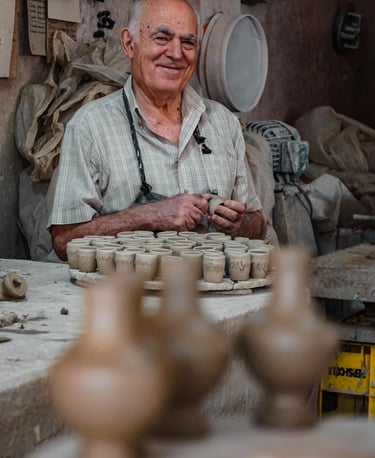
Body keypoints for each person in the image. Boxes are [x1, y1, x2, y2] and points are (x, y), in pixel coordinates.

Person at [49, 0, 266, 261]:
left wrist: (240, 225)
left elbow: (258, 224)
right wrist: (149, 216)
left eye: (188, 42)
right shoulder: (90, 127)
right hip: (131, 295)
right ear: (129, 44)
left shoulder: (223, 123)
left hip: (215, 296)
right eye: (162, 38)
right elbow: (63, 241)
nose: (176, 53)